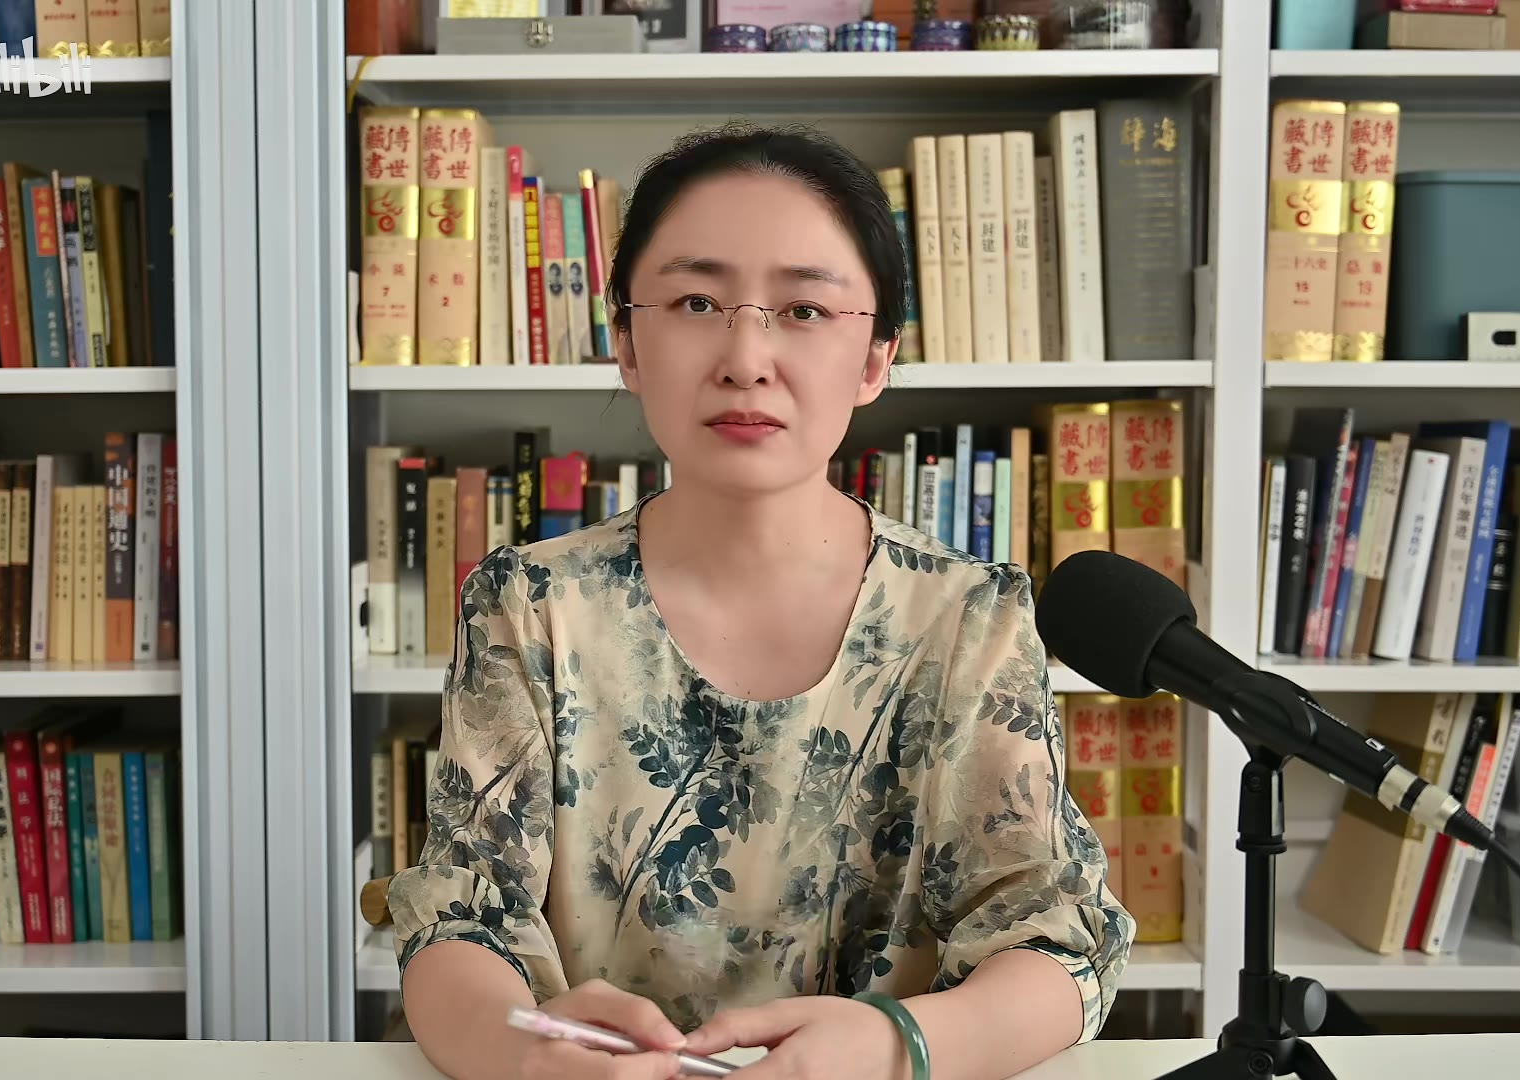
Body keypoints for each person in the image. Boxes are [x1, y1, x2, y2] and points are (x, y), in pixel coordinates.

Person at [389, 123, 1134, 1080]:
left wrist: (898, 1046)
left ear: (876, 358)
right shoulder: (531, 604)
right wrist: (524, 1057)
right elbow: (457, 923)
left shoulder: (966, 617)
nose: (746, 357)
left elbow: (1060, 946)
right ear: (626, 343)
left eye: (805, 309)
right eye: (696, 302)